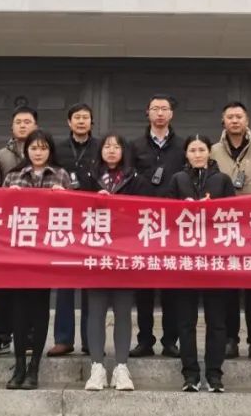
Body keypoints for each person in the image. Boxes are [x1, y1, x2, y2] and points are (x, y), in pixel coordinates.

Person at [2, 130, 72, 389]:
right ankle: (19, 365)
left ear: (50, 150)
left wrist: (65, 197)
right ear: (26, 150)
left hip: (46, 254)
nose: (38, 152)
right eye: (34, 148)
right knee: (19, 312)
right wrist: (8, 197)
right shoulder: (13, 176)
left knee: (40, 310)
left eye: (43, 148)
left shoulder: (61, 175)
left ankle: (34, 368)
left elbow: (73, 215)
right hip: (18, 254)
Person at [84, 133, 147, 392]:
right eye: (107, 146)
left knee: (123, 311)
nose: (111, 150)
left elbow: (145, 211)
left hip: (125, 254)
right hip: (95, 254)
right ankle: (97, 367)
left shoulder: (136, 179)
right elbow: (72, 211)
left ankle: (122, 367)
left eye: (117, 146)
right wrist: (92, 200)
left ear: (124, 151)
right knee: (96, 311)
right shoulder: (88, 178)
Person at [170, 135, 233, 393]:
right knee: (186, 322)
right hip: (185, 260)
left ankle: (215, 374)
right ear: (186, 154)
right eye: (192, 150)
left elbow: (234, 214)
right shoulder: (178, 179)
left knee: (216, 321)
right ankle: (190, 374)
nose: (197, 154)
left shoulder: (222, 180)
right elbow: (165, 215)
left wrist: (213, 209)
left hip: (215, 260)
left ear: (209, 152)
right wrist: (182, 209)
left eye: (202, 150)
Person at [211, 101, 251, 361]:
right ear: (223, 121)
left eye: (239, 116)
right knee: (228, 288)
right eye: (230, 117)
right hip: (224, 228)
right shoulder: (213, 151)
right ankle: (230, 339)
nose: (235, 121)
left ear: (247, 120)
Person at [129, 94, 183, 358]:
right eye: (155, 109)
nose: (160, 113)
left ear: (171, 114)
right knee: (144, 286)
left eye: (164, 109)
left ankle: (171, 340)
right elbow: (127, 179)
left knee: (172, 285)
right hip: (144, 224)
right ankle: (145, 339)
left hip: (174, 224)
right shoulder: (135, 146)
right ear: (147, 113)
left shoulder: (183, 145)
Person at [0, 104, 39, 357]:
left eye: (28, 122)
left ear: (35, 126)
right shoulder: (0, 156)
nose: (23, 126)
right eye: (19, 122)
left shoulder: (43, 153)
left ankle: (29, 335)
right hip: (7, 229)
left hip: (35, 228)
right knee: (4, 284)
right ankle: (2, 335)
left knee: (32, 285)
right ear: (12, 126)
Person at [51, 102, 100, 357]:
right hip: (65, 220)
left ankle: (91, 339)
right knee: (65, 281)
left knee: (91, 282)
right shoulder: (57, 149)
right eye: (77, 117)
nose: (81, 121)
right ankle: (63, 338)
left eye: (85, 117)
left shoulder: (101, 147)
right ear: (69, 122)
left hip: (94, 220)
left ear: (91, 122)